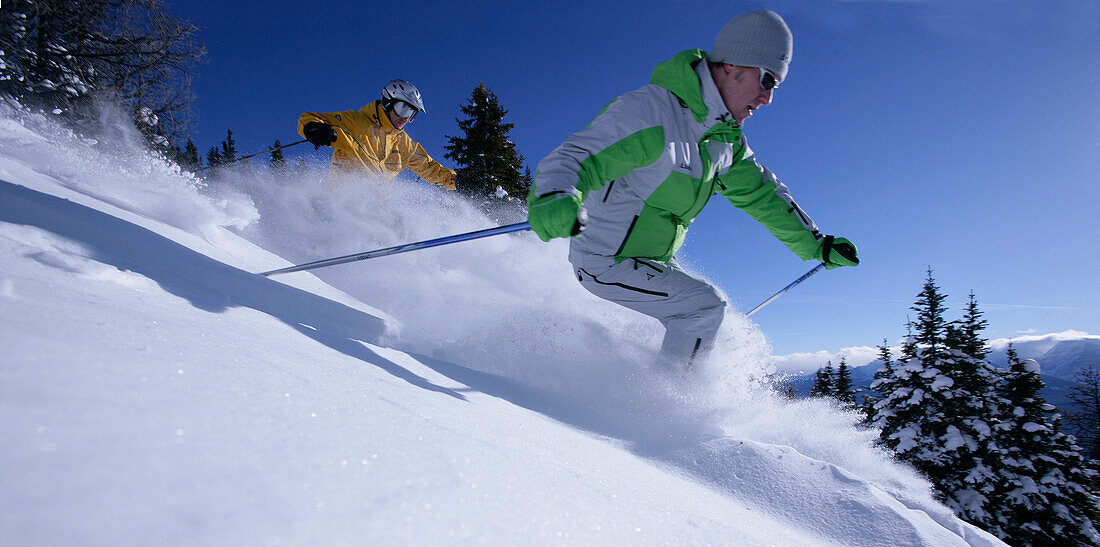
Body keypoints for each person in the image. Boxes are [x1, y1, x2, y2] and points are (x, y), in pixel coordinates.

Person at [526, 10, 859, 365]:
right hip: (606, 260)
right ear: (732, 66)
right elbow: (579, 156)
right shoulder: (654, 112)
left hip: (651, 259)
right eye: (767, 81)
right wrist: (554, 195)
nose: (768, 98)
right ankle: (671, 409)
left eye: (775, 86)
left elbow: (764, 196)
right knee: (703, 307)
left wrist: (817, 245)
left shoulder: (725, 142)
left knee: (717, 318)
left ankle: (663, 391)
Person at [298, 79, 457, 190]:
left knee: (401, 226)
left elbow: (428, 168)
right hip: (342, 202)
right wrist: (314, 128)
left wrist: (456, 181)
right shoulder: (356, 122)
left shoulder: (402, 143)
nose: (405, 118)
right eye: (403, 109)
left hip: (376, 209)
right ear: (388, 102)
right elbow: (308, 118)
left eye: (411, 113)